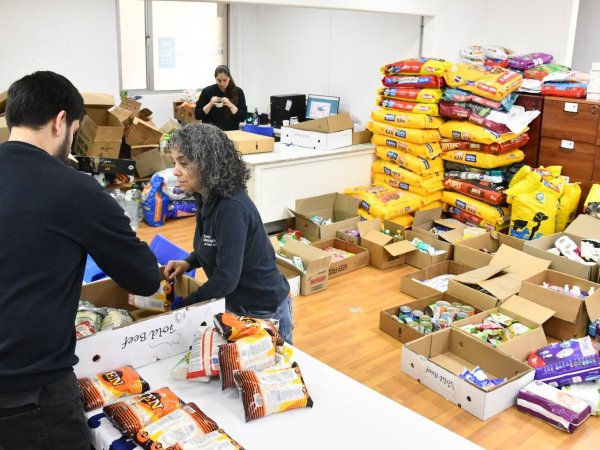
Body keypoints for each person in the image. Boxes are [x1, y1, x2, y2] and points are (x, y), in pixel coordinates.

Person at [0, 71, 162, 450]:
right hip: (31, 389)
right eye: (74, 130)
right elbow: (144, 278)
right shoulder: (73, 189)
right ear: (61, 121)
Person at [164, 123, 293, 344]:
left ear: (207, 164)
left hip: (262, 308)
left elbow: (225, 279)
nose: (176, 171)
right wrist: (188, 262)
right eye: (175, 162)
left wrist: (185, 306)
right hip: (236, 304)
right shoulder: (206, 197)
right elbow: (213, 244)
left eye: (183, 163)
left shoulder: (231, 207)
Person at [194, 65, 248, 131]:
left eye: (225, 80)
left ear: (229, 78)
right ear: (215, 78)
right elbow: (198, 115)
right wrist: (210, 104)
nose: (222, 84)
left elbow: (242, 117)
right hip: (211, 133)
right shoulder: (207, 91)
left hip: (231, 132)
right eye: (219, 80)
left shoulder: (238, 92)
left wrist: (231, 105)